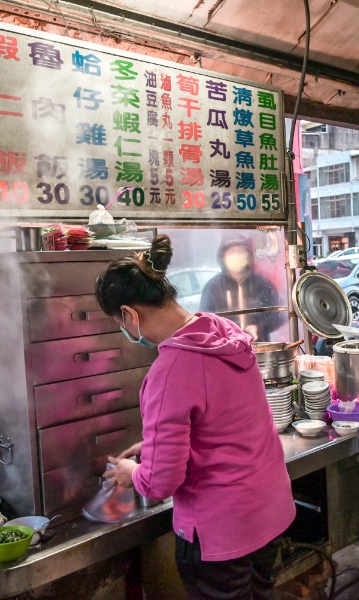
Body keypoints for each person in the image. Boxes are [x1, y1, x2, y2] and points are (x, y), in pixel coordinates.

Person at [95, 235, 295, 600]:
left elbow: (160, 483)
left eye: (118, 323)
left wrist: (132, 473)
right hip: (269, 511)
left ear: (129, 315)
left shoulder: (170, 369)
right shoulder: (223, 333)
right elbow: (227, 423)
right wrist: (157, 444)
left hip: (222, 532)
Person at [199, 235, 286, 340]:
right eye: (231, 252)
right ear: (223, 257)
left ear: (248, 256)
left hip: (258, 347)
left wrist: (258, 327)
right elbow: (204, 321)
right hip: (225, 348)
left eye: (240, 251)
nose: (236, 255)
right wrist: (226, 332)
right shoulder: (213, 287)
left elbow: (278, 316)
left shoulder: (262, 283)